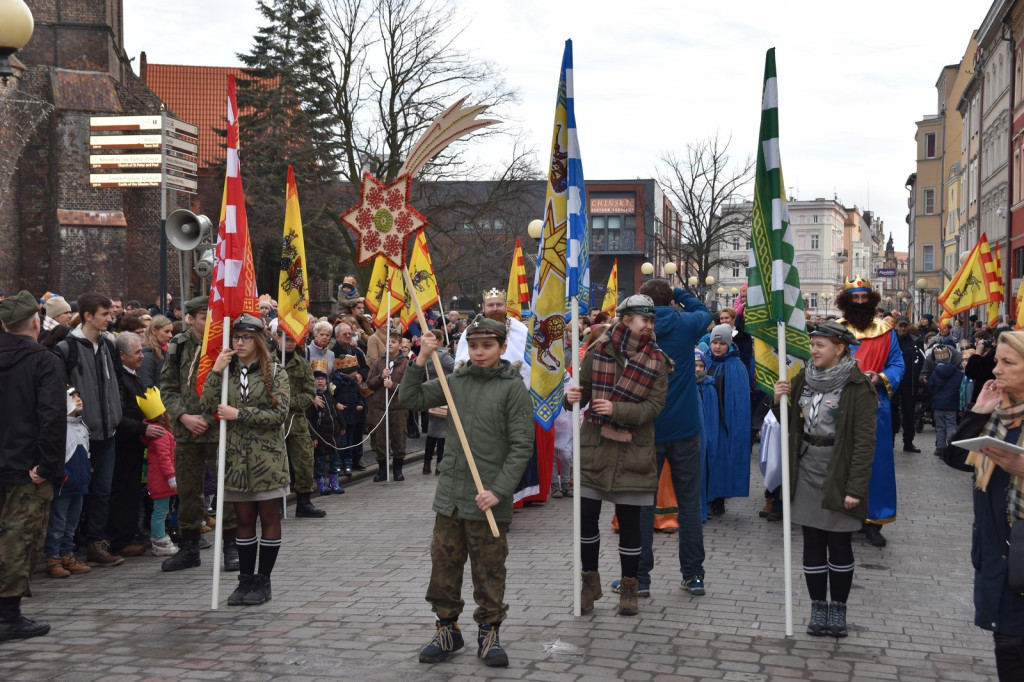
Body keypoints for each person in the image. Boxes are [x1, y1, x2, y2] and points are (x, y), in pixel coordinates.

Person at [400, 315, 534, 667]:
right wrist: (420, 358)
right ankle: (447, 629)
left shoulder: (513, 388)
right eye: (473, 346)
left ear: (502, 348)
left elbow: (522, 446)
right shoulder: (455, 381)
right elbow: (410, 397)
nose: (479, 352)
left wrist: (499, 491)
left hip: (488, 498)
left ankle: (489, 633)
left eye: (487, 345)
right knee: (443, 564)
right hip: (451, 496)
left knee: (489, 568)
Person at [772, 320, 877, 638]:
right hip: (806, 468)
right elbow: (790, 424)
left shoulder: (858, 385)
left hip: (839, 471)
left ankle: (838, 610)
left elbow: (864, 443)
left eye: (820, 345)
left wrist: (855, 487)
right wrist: (777, 401)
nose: (813, 350)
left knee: (840, 542)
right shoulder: (803, 378)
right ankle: (818, 607)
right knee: (813, 540)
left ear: (840, 349)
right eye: (812, 344)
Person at [565, 295, 669, 617]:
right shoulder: (598, 351)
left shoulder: (658, 360)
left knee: (630, 523)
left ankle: (629, 588)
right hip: (595, 445)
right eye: (644, 320)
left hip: (633, 450)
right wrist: (572, 396)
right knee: (586, 520)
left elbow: (654, 407)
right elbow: (582, 391)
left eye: (651, 321)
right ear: (625, 320)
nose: (649, 325)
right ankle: (589, 584)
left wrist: (616, 409)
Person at [621, 279, 712, 600]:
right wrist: (679, 293)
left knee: (643, 505)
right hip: (686, 426)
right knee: (689, 503)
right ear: (671, 300)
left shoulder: (636, 329)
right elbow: (704, 311)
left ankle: (640, 577)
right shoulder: (686, 325)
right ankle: (694, 575)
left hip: (648, 427)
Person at [943, 331, 1024, 680]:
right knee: (1008, 647)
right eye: (997, 361)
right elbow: (956, 458)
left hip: (1018, 549)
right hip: (998, 552)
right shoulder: (1000, 413)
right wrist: (978, 411)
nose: (996, 369)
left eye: (1008, 362)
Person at [201, 314, 290, 607]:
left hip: (266, 458)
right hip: (235, 459)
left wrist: (240, 414)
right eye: (236, 337)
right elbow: (206, 405)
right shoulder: (226, 370)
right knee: (244, 520)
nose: (239, 343)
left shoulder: (274, 371)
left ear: (258, 340)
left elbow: (278, 415)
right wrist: (216, 371)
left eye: (246, 337)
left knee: (269, 518)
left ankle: (263, 580)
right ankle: (245, 580)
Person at [0, 291, 67, 640]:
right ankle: (7, 615)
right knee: (20, 538)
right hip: (27, 466)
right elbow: (52, 417)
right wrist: (48, 465)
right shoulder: (44, 360)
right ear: (36, 323)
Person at [158, 295, 239, 572]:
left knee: (227, 489)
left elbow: (234, 388)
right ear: (190, 319)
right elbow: (168, 387)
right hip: (187, 432)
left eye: (213, 317)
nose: (211, 322)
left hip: (218, 429)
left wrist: (208, 416)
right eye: (205, 318)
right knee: (189, 491)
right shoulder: (178, 345)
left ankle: (231, 547)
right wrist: (183, 416)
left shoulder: (227, 345)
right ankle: (190, 547)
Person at [56, 292, 125, 567]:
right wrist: (75, 404)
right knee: (76, 490)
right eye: (104, 314)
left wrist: (116, 411)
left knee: (103, 490)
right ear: (87, 316)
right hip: (79, 432)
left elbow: (117, 381)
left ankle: (96, 542)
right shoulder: (67, 348)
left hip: (107, 429)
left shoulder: (108, 346)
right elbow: (61, 385)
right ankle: (66, 548)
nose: (110, 319)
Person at [836, 276, 905, 548]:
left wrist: (881, 377)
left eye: (864, 297)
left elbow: (897, 364)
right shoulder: (836, 330)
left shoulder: (886, 332)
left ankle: (874, 520)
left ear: (871, 299)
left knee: (877, 463)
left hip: (876, 406)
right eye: (855, 297)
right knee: (841, 459)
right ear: (847, 300)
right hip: (840, 405)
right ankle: (843, 515)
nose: (860, 301)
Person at [109, 332, 163, 558]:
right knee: (123, 490)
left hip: (136, 442)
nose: (142, 355)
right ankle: (120, 539)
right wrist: (142, 428)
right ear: (122, 355)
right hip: (124, 443)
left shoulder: (134, 375)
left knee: (133, 490)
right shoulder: (119, 378)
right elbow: (118, 415)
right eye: (138, 352)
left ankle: (131, 532)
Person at [44, 387, 92, 579]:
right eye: (72, 397)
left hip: (79, 483)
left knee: (72, 523)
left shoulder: (82, 426)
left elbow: (86, 453)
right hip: (64, 484)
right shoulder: (59, 427)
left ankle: (67, 554)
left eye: (79, 396)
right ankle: (53, 558)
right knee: (58, 523)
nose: (78, 399)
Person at [706, 323, 752, 517]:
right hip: (706, 420)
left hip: (724, 421)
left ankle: (718, 499)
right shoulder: (705, 361)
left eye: (722, 343)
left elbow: (739, 400)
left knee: (721, 460)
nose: (717, 347)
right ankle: (706, 498)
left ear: (729, 344)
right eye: (714, 342)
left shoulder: (736, 366)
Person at [280, 331, 326, 518]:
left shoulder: (302, 364)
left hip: (296, 420)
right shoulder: (267, 362)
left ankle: (304, 502)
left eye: (293, 339)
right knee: (277, 464)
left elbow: (309, 394)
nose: (290, 343)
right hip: (273, 421)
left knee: (304, 461)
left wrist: (286, 403)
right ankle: (277, 504)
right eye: (286, 339)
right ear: (277, 338)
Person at [137, 387, 178, 557]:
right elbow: (164, 459)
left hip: (161, 479)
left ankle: (160, 537)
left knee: (162, 510)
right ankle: (159, 539)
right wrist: (171, 477)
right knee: (160, 511)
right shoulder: (162, 434)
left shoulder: (160, 433)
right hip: (162, 480)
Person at [367, 330, 410, 482]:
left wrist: (393, 386)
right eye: (388, 341)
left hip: (398, 407)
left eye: (393, 342)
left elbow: (410, 388)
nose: (390, 344)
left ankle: (398, 470)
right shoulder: (379, 362)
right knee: (380, 439)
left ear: (400, 345)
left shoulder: (406, 363)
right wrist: (381, 377)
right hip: (380, 406)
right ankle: (382, 470)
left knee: (399, 437)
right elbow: (369, 383)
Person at [422, 329, 454, 475]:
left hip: (431, 394)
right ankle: (440, 465)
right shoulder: (442, 355)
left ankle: (426, 463)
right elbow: (457, 369)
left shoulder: (427, 354)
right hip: (444, 395)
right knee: (442, 434)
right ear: (441, 340)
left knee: (432, 432)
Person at [308, 368, 344, 494]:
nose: (320, 381)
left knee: (335, 460)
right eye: (317, 379)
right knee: (320, 462)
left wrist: (342, 425)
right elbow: (309, 420)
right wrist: (313, 436)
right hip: (320, 435)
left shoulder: (329, 394)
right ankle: (321, 484)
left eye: (322, 379)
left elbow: (336, 412)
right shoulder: (312, 398)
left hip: (333, 434)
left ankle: (334, 483)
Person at [927, 344, 962, 459]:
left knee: (940, 427)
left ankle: (940, 448)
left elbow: (930, 387)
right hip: (952, 404)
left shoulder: (934, 373)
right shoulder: (957, 372)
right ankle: (951, 447)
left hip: (938, 405)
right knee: (951, 425)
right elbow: (960, 387)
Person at [892, 317, 920, 453]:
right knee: (892, 413)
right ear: (896, 326)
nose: (903, 328)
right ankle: (890, 441)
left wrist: (920, 378)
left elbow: (921, 361)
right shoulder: (891, 340)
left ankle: (908, 442)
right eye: (900, 326)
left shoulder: (915, 341)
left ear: (908, 326)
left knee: (909, 413)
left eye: (905, 326)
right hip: (894, 382)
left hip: (909, 382)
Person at [140, 315, 174, 389]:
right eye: (166, 331)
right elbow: (146, 387)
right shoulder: (147, 357)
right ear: (154, 331)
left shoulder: (166, 352)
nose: (170, 335)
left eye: (171, 332)